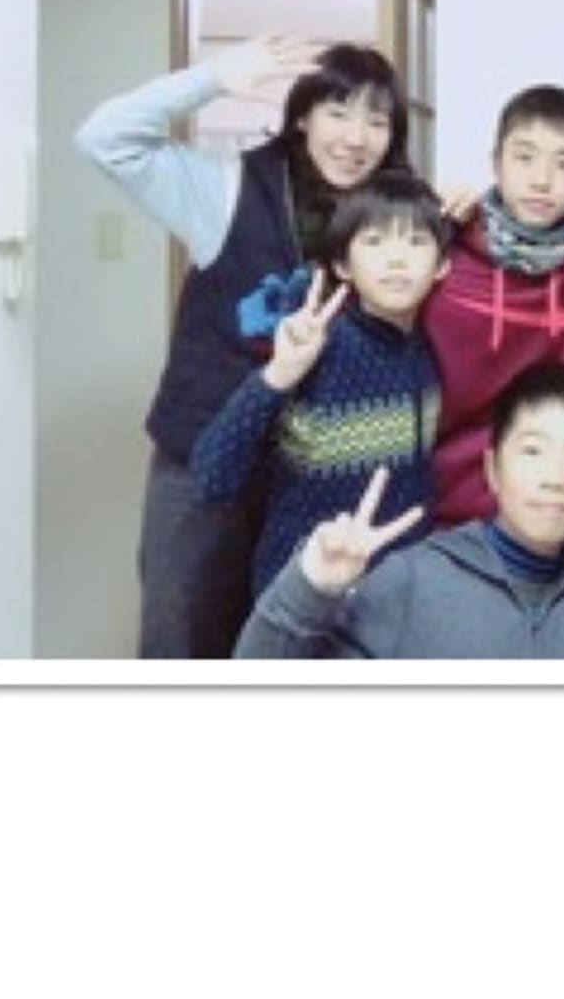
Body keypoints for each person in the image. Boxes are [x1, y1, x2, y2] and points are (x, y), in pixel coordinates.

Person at [76, 36, 410, 657]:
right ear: (303, 115)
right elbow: (103, 138)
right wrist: (212, 78)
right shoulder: (229, 187)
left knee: (290, 651)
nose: (355, 137)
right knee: (182, 645)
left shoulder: (393, 219)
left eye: (376, 120)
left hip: (311, 477)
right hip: (201, 465)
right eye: (338, 112)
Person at [235, 364, 564, 659]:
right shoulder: (410, 582)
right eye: (533, 451)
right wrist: (310, 587)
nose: (554, 476)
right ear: (492, 469)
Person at [190, 173, 449, 598]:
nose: (397, 259)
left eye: (416, 242)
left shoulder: (430, 349)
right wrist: (279, 374)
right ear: (343, 265)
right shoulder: (319, 344)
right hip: (301, 594)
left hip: (394, 597)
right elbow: (211, 477)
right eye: (375, 241)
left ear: (442, 266)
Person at [419, 85, 564, 526]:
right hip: (435, 505)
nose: (541, 180)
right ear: (495, 162)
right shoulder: (443, 238)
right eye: (524, 157)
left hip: (553, 508)